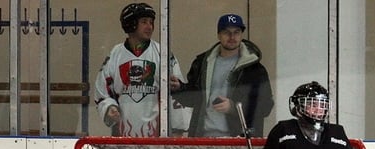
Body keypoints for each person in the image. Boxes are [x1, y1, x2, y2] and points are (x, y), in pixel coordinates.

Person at [170, 14, 274, 137]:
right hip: (203, 139)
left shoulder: (255, 70)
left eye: (236, 32)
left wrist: (234, 108)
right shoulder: (202, 63)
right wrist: (179, 88)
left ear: (241, 35)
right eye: (226, 32)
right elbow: (196, 98)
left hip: (240, 141)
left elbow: (266, 106)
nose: (232, 37)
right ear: (218, 34)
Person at [94, 3, 188, 137]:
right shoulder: (116, 54)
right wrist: (109, 108)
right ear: (130, 24)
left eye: (151, 22)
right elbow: (102, 91)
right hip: (122, 138)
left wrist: (178, 128)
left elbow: (177, 94)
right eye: (144, 22)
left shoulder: (163, 53)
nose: (150, 27)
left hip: (158, 137)